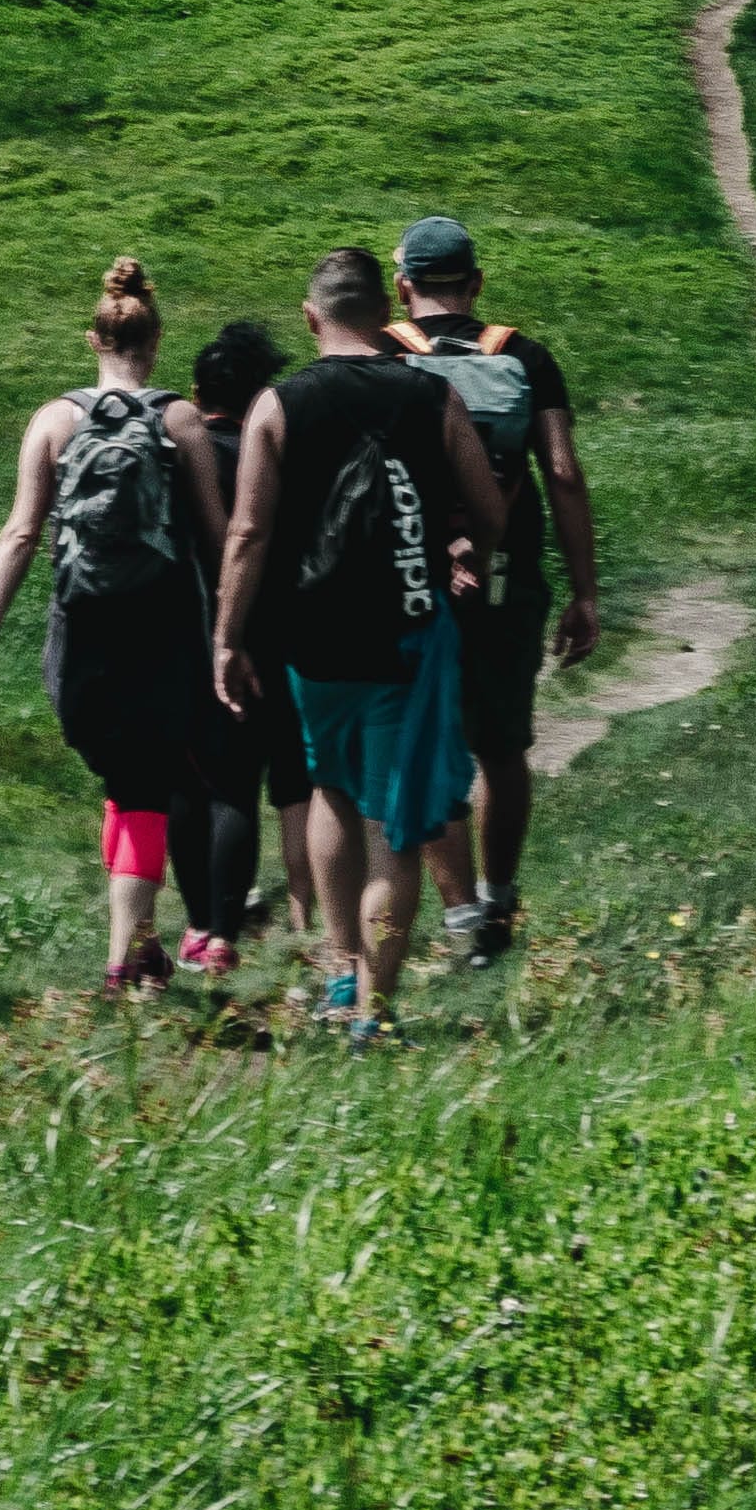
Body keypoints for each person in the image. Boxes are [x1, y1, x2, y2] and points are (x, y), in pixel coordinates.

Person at [210, 245, 503, 1039]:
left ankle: (341, 974)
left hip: (313, 641)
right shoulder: (429, 394)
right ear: (388, 315)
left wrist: (227, 638)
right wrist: (466, 552)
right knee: (394, 830)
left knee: (331, 792)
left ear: (311, 318)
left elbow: (247, 531)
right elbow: (491, 507)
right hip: (405, 635)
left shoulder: (278, 404)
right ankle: (376, 1008)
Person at [0, 255, 227, 993]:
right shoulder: (180, 420)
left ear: (93, 338)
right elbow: (218, 538)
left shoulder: (53, 419)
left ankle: (139, 947)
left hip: (79, 641)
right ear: (157, 338)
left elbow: (18, 533)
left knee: (124, 779)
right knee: (143, 787)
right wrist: (233, 635)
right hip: (162, 636)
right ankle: (121, 962)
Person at [386, 212, 602, 965]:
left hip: (414, 580)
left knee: (431, 742)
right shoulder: (526, 355)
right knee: (501, 746)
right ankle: (502, 898)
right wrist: (584, 592)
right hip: (508, 578)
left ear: (403, 283)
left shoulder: (382, 354)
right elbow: (564, 474)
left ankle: (461, 915)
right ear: (476, 282)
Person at [175, 316, 316, 965]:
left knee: (198, 784)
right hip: (275, 638)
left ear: (197, 390)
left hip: (184, 638)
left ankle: (203, 923)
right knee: (279, 785)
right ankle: (295, 920)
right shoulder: (276, 454)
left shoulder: (175, 452)